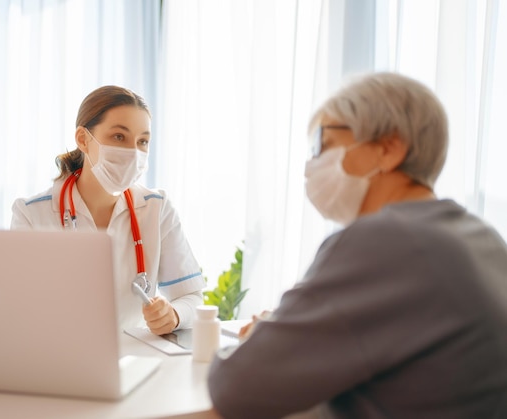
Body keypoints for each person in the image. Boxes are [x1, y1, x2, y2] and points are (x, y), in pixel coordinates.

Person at [207, 72, 507, 418]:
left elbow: (236, 387)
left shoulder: (385, 240)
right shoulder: (479, 236)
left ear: (388, 148)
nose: (311, 165)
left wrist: (264, 338)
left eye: (323, 144)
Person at [11, 85, 205, 335]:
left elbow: (192, 296)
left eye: (142, 141)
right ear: (83, 139)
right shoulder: (31, 214)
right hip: (59, 359)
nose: (133, 152)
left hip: (136, 359)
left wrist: (174, 315)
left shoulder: (156, 208)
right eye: (118, 137)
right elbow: (18, 308)